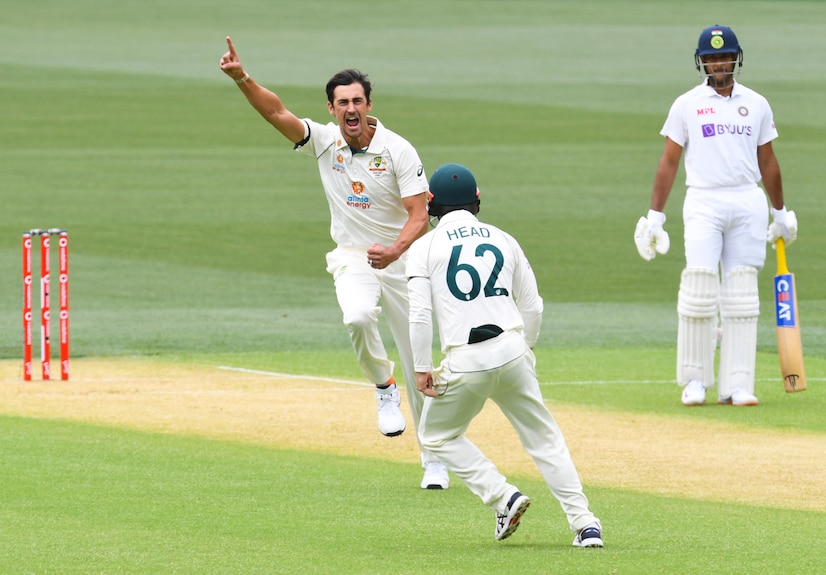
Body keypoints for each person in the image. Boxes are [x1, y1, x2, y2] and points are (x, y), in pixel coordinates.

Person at [219, 37, 449, 489]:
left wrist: (396, 252)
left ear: (368, 105)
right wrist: (241, 78)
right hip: (353, 256)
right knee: (358, 315)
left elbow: (420, 214)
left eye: (357, 100)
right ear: (330, 108)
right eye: (342, 102)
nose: (351, 108)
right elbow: (275, 113)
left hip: (403, 262)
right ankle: (384, 390)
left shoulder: (398, 149)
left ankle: (434, 458)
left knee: (418, 358)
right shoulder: (324, 142)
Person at [405, 163, 603, 546]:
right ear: (477, 201)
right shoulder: (504, 239)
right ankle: (586, 525)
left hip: (465, 360)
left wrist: (420, 368)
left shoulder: (423, 248)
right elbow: (533, 306)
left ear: (431, 205)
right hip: (512, 350)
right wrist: (523, 350)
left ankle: (503, 496)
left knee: (435, 435)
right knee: (545, 440)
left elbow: (419, 314)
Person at [634, 25, 798, 407]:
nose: (718, 63)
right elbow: (669, 161)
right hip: (703, 201)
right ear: (702, 62)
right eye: (711, 58)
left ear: (735, 59)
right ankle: (695, 381)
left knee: (741, 294)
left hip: (747, 201)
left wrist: (780, 212)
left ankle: (736, 385)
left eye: (724, 57)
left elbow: (768, 161)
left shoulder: (756, 103)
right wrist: (654, 216)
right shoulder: (686, 104)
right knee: (700, 289)